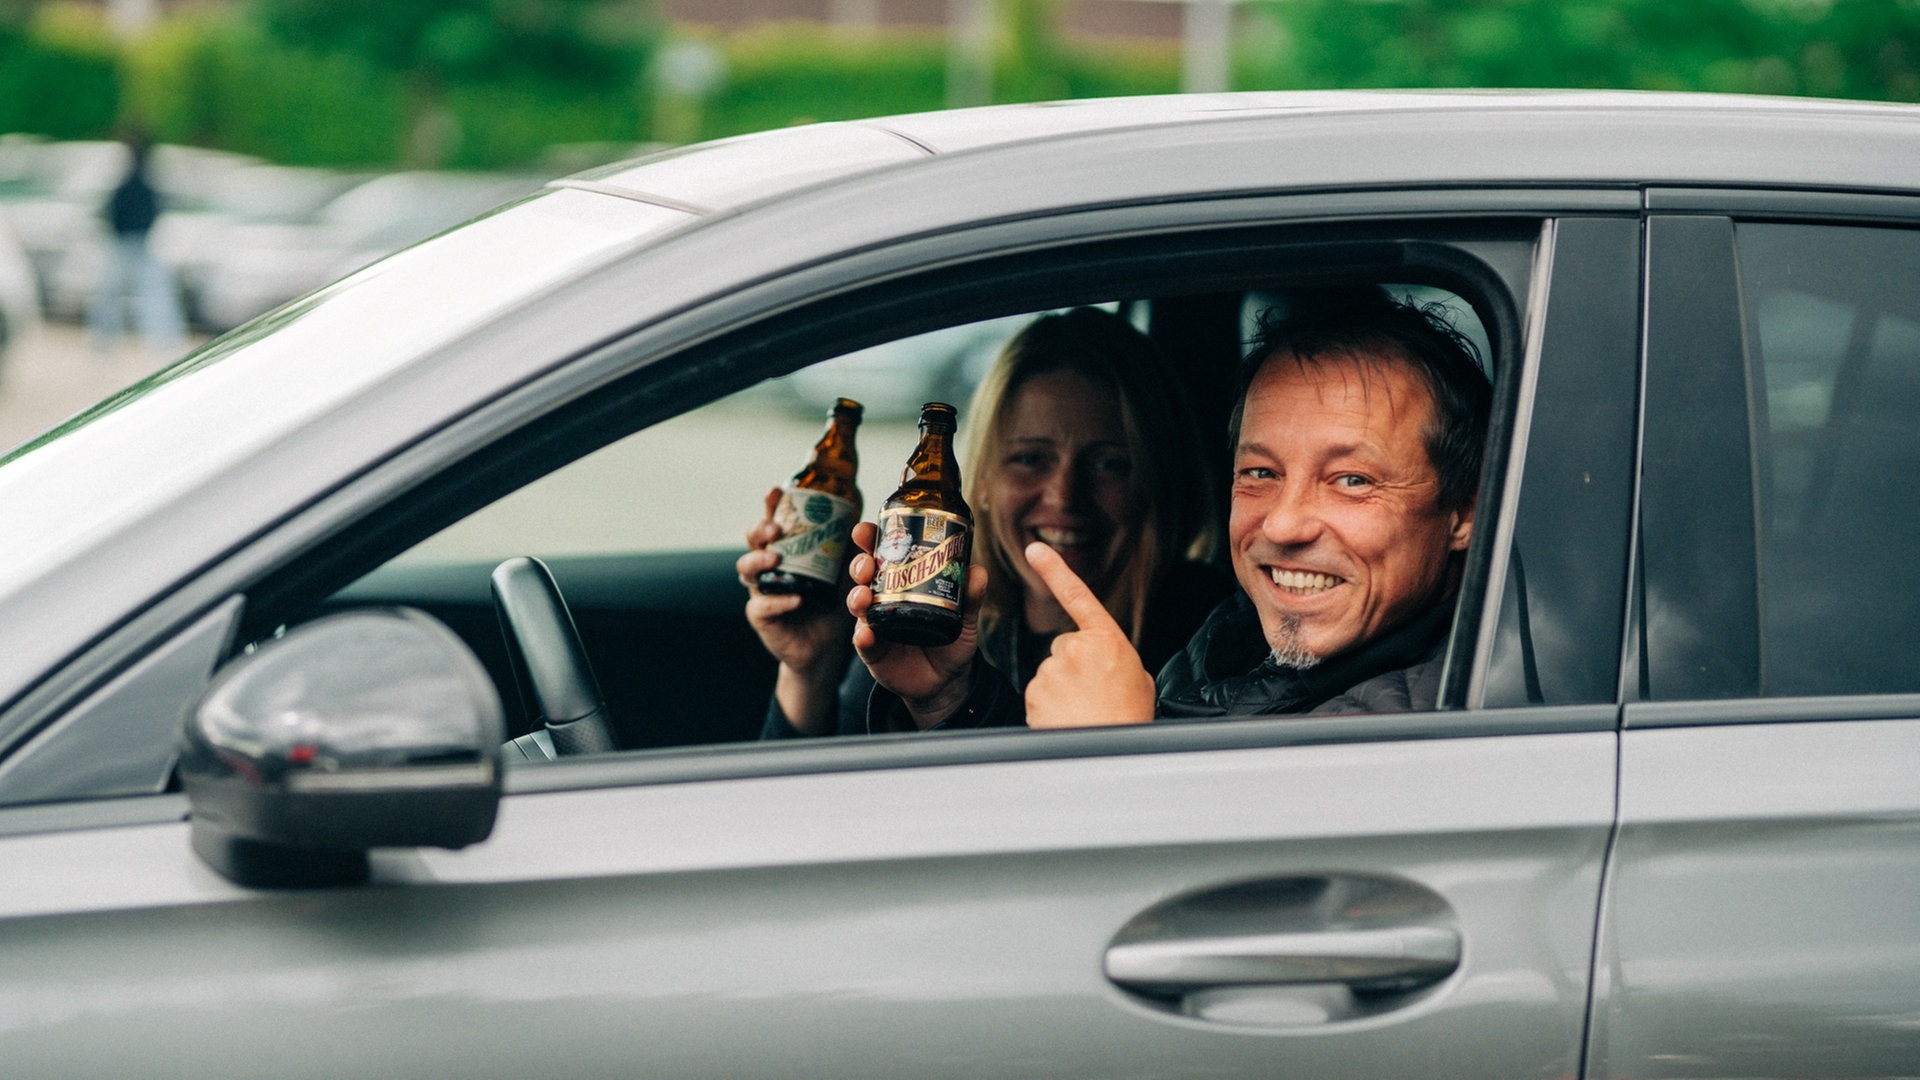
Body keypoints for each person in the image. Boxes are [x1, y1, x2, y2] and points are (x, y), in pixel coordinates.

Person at [847, 292, 1491, 730]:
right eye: (1260, 473)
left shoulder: (1425, 728)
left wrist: (1118, 767)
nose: (1286, 524)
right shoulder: (1230, 643)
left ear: (1463, 513)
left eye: (1351, 480)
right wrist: (949, 698)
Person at [741, 307, 1231, 737]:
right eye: (1030, 459)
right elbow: (818, 817)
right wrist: (809, 668)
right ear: (978, 483)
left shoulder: (1211, 638)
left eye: (1109, 464)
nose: (1064, 496)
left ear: (1158, 480)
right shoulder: (926, 611)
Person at [89, 130, 186, 363]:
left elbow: (126, 211)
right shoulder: (141, 179)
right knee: (143, 294)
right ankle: (158, 341)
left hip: (131, 241)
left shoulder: (135, 180)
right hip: (133, 240)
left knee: (133, 294)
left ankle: (156, 341)